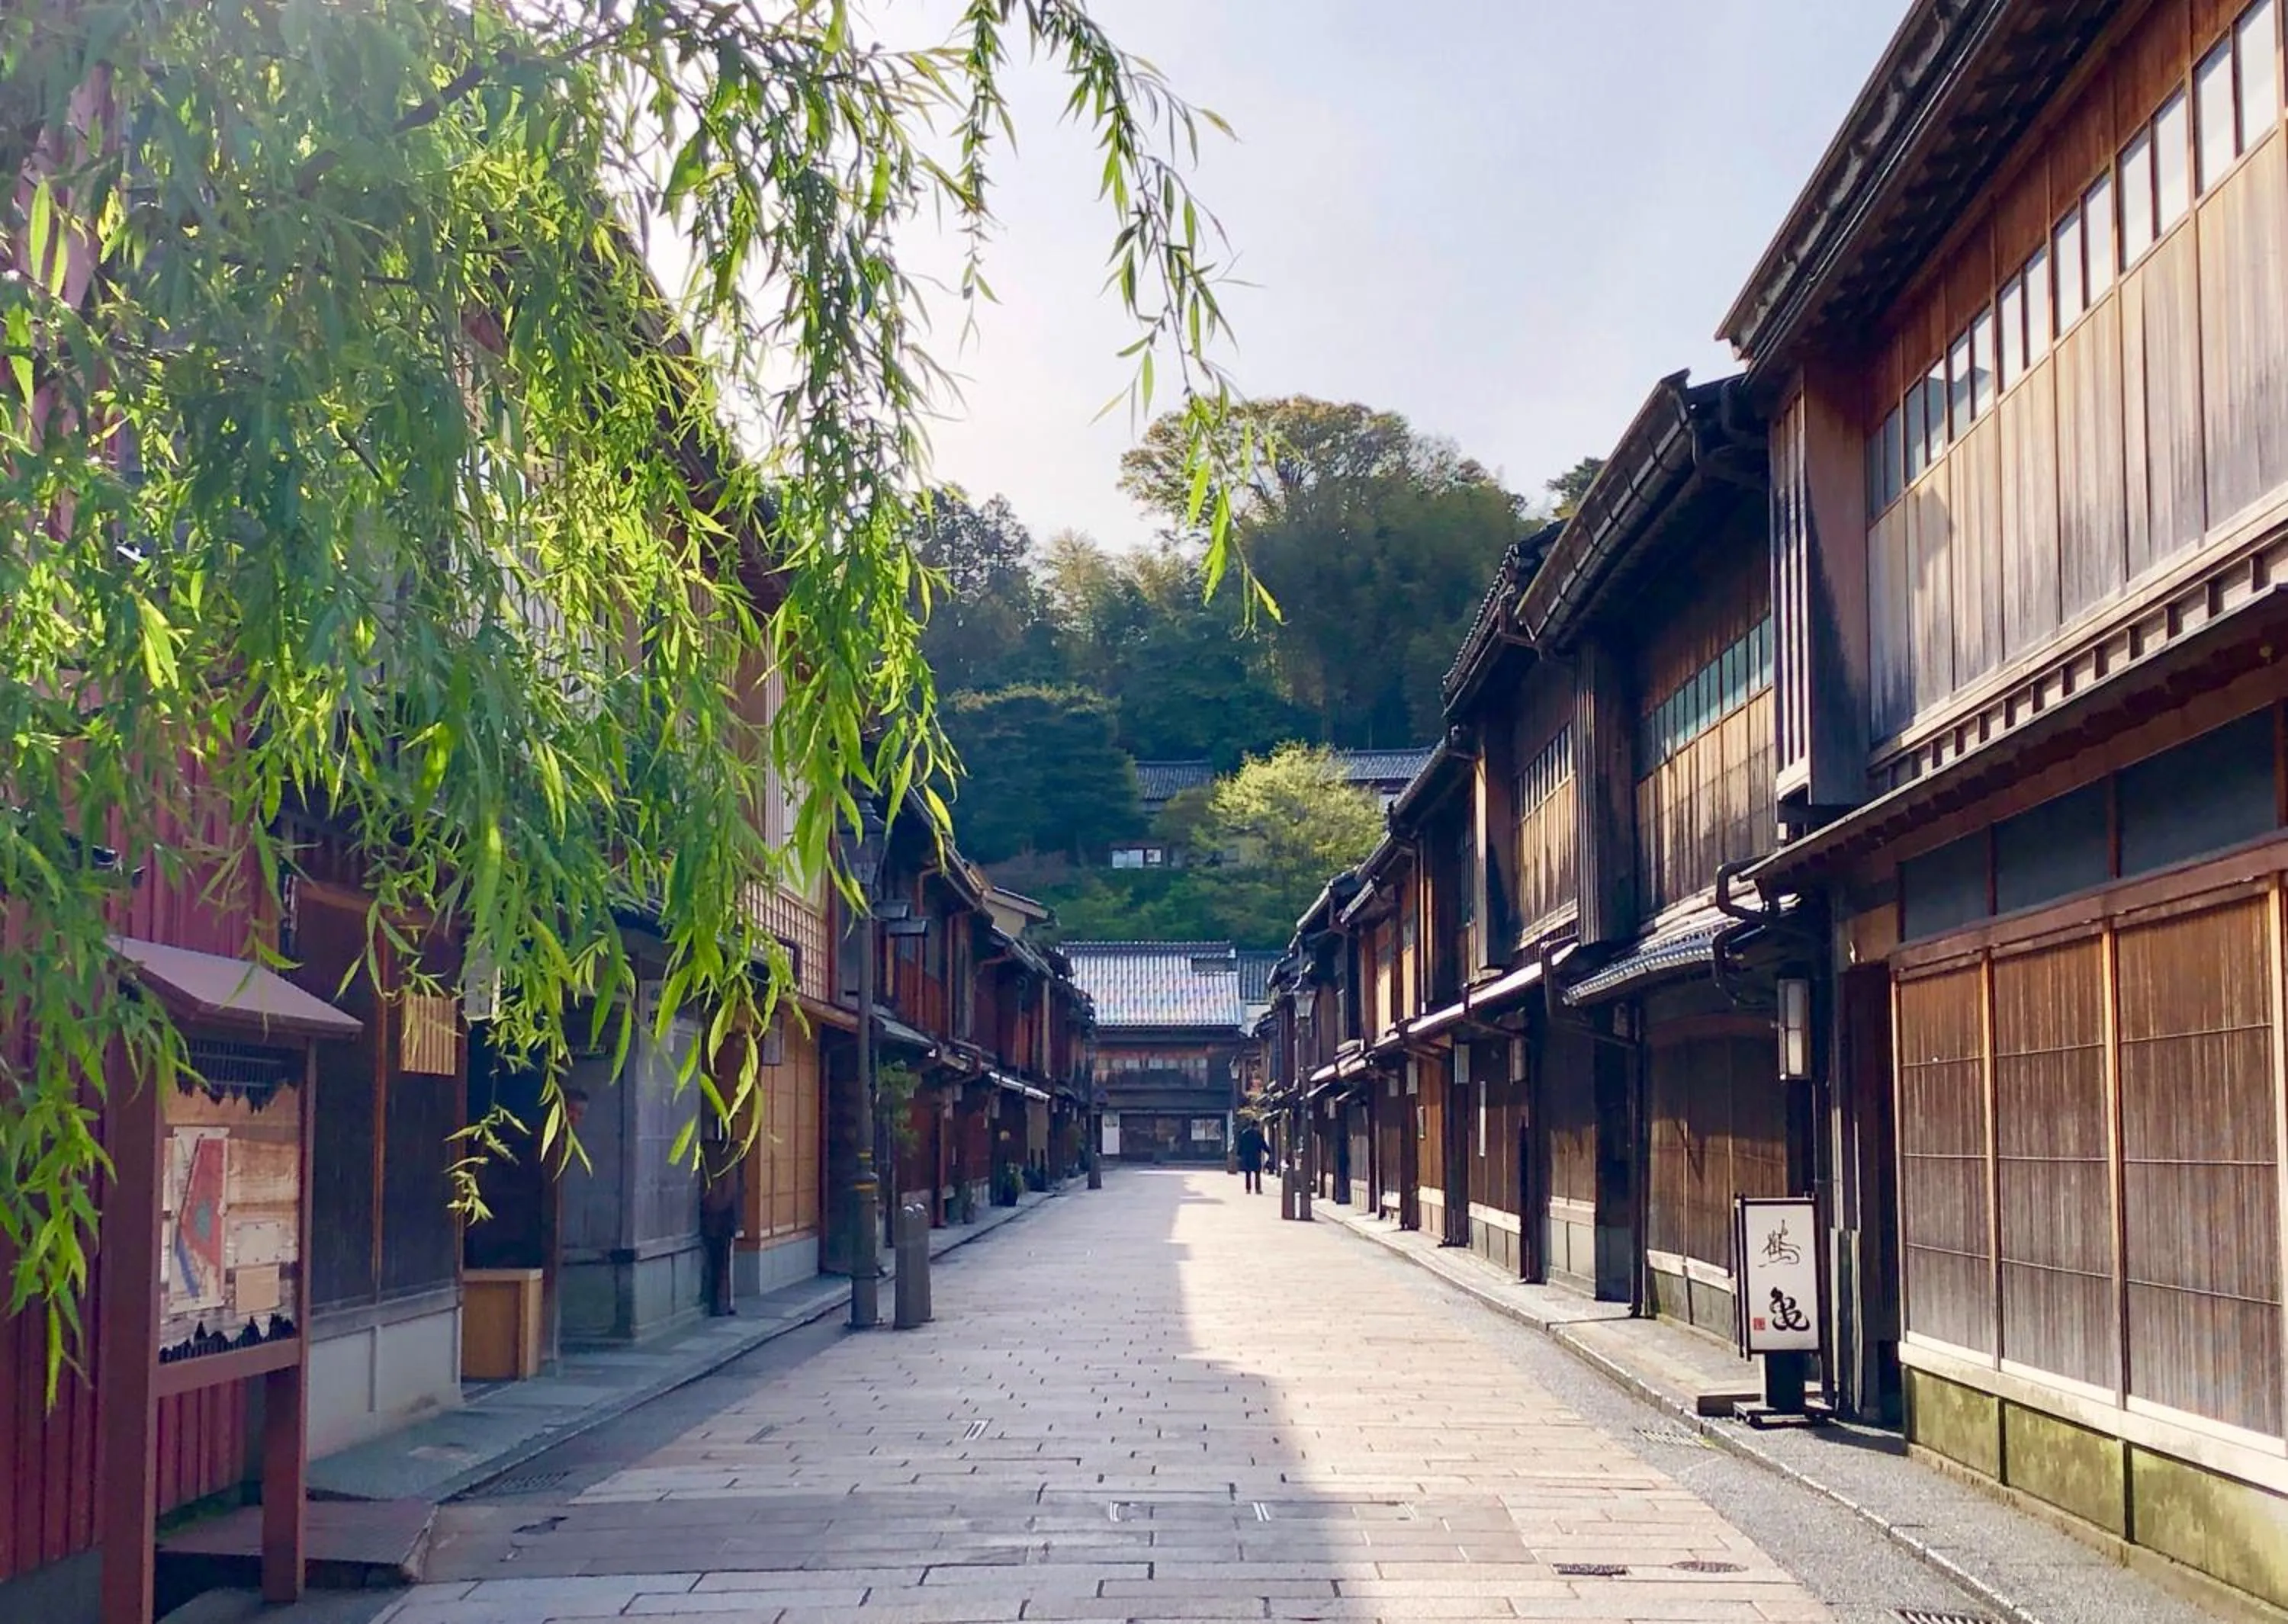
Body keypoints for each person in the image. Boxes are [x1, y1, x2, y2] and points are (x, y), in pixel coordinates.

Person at [1236, 1119, 1268, 1194]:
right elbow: (1263, 1145)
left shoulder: (1244, 1134)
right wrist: (1269, 1152)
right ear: (1256, 1125)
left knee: (1248, 1173)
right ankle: (1258, 1189)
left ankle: (1248, 1189)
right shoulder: (1258, 1134)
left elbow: (1240, 1145)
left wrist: (1239, 1154)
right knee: (1257, 1173)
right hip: (1256, 1155)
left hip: (1247, 1156)